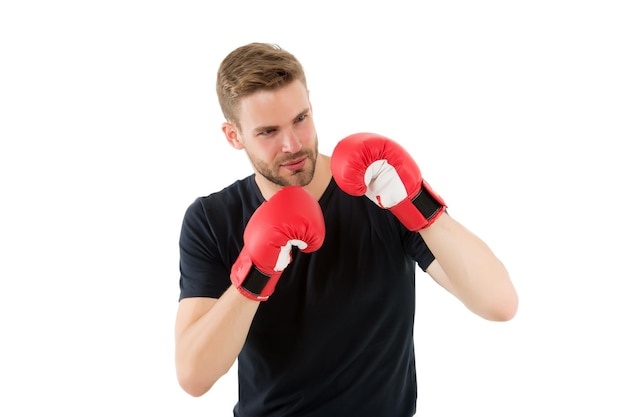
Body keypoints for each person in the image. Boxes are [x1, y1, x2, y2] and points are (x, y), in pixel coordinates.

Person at [174, 42, 519, 417]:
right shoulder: (213, 218)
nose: (292, 144)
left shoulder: (379, 189)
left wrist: (417, 202)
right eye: (268, 131)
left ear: (310, 103)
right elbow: (194, 376)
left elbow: (499, 304)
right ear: (233, 136)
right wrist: (256, 274)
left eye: (300, 119)